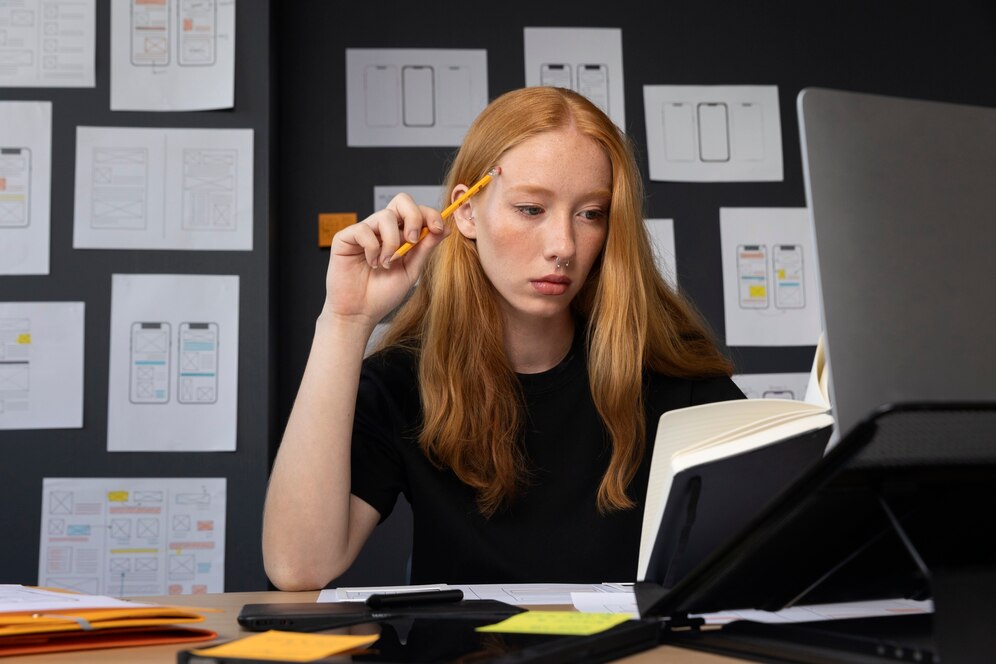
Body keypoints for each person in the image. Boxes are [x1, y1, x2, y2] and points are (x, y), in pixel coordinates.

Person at [262, 86, 745, 591]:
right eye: (531, 209)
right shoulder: (403, 381)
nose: (563, 246)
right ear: (466, 212)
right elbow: (298, 567)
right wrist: (344, 321)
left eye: (591, 214)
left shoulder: (671, 380)